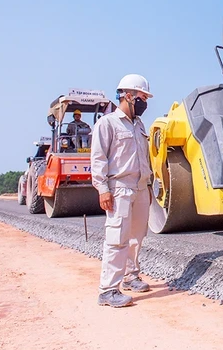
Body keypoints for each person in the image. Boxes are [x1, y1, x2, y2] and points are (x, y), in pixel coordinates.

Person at [91, 74, 154, 308]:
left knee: (136, 237)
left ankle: (130, 276)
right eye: (142, 97)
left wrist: (148, 186)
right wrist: (102, 189)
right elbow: (98, 159)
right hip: (119, 189)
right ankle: (107, 290)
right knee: (117, 239)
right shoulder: (107, 124)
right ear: (128, 95)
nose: (144, 102)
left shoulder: (139, 125)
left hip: (140, 189)